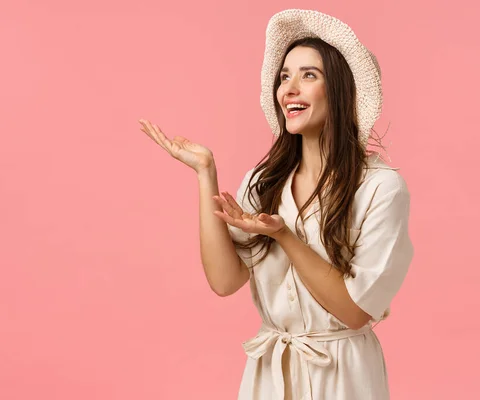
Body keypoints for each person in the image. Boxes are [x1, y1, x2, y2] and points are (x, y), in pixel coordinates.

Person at [139, 8, 414, 400]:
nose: (289, 88)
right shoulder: (264, 181)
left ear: (339, 90)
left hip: (344, 377)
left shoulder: (381, 189)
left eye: (308, 75)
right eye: (284, 76)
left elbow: (356, 311)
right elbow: (224, 280)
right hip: (270, 376)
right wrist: (205, 173)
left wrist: (284, 235)